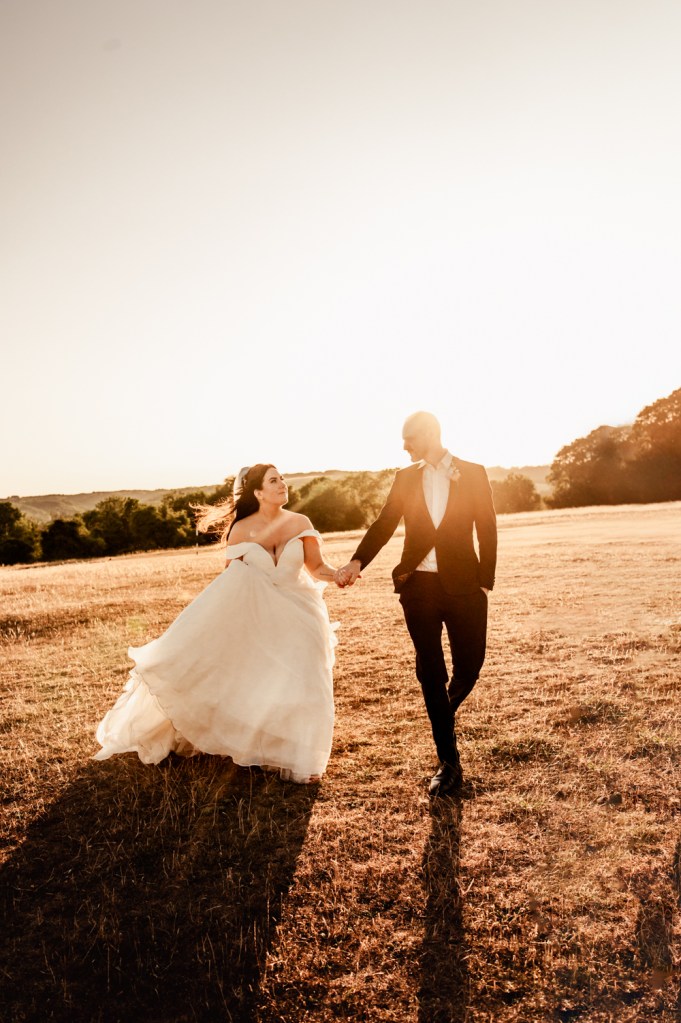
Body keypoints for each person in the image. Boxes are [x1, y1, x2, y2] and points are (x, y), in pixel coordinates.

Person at [94, 464, 343, 783]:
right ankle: (264, 744)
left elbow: (317, 567)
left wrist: (337, 575)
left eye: (282, 478)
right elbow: (232, 578)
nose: (283, 484)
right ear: (257, 492)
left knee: (308, 679)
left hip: (300, 613)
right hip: (259, 615)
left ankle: (303, 759)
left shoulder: (301, 523)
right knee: (262, 680)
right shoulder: (241, 530)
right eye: (274, 481)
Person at [337, 412, 497, 798]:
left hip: (465, 587)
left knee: (470, 666)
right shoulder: (405, 478)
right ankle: (449, 762)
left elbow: (488, 526)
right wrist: (357, 562)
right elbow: (385, 523)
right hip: (418, 588)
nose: (404, 445)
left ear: (429, 434)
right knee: (431, 673)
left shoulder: (473, 472)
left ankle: (441, 714)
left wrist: (484, 582)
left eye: (408, 437)